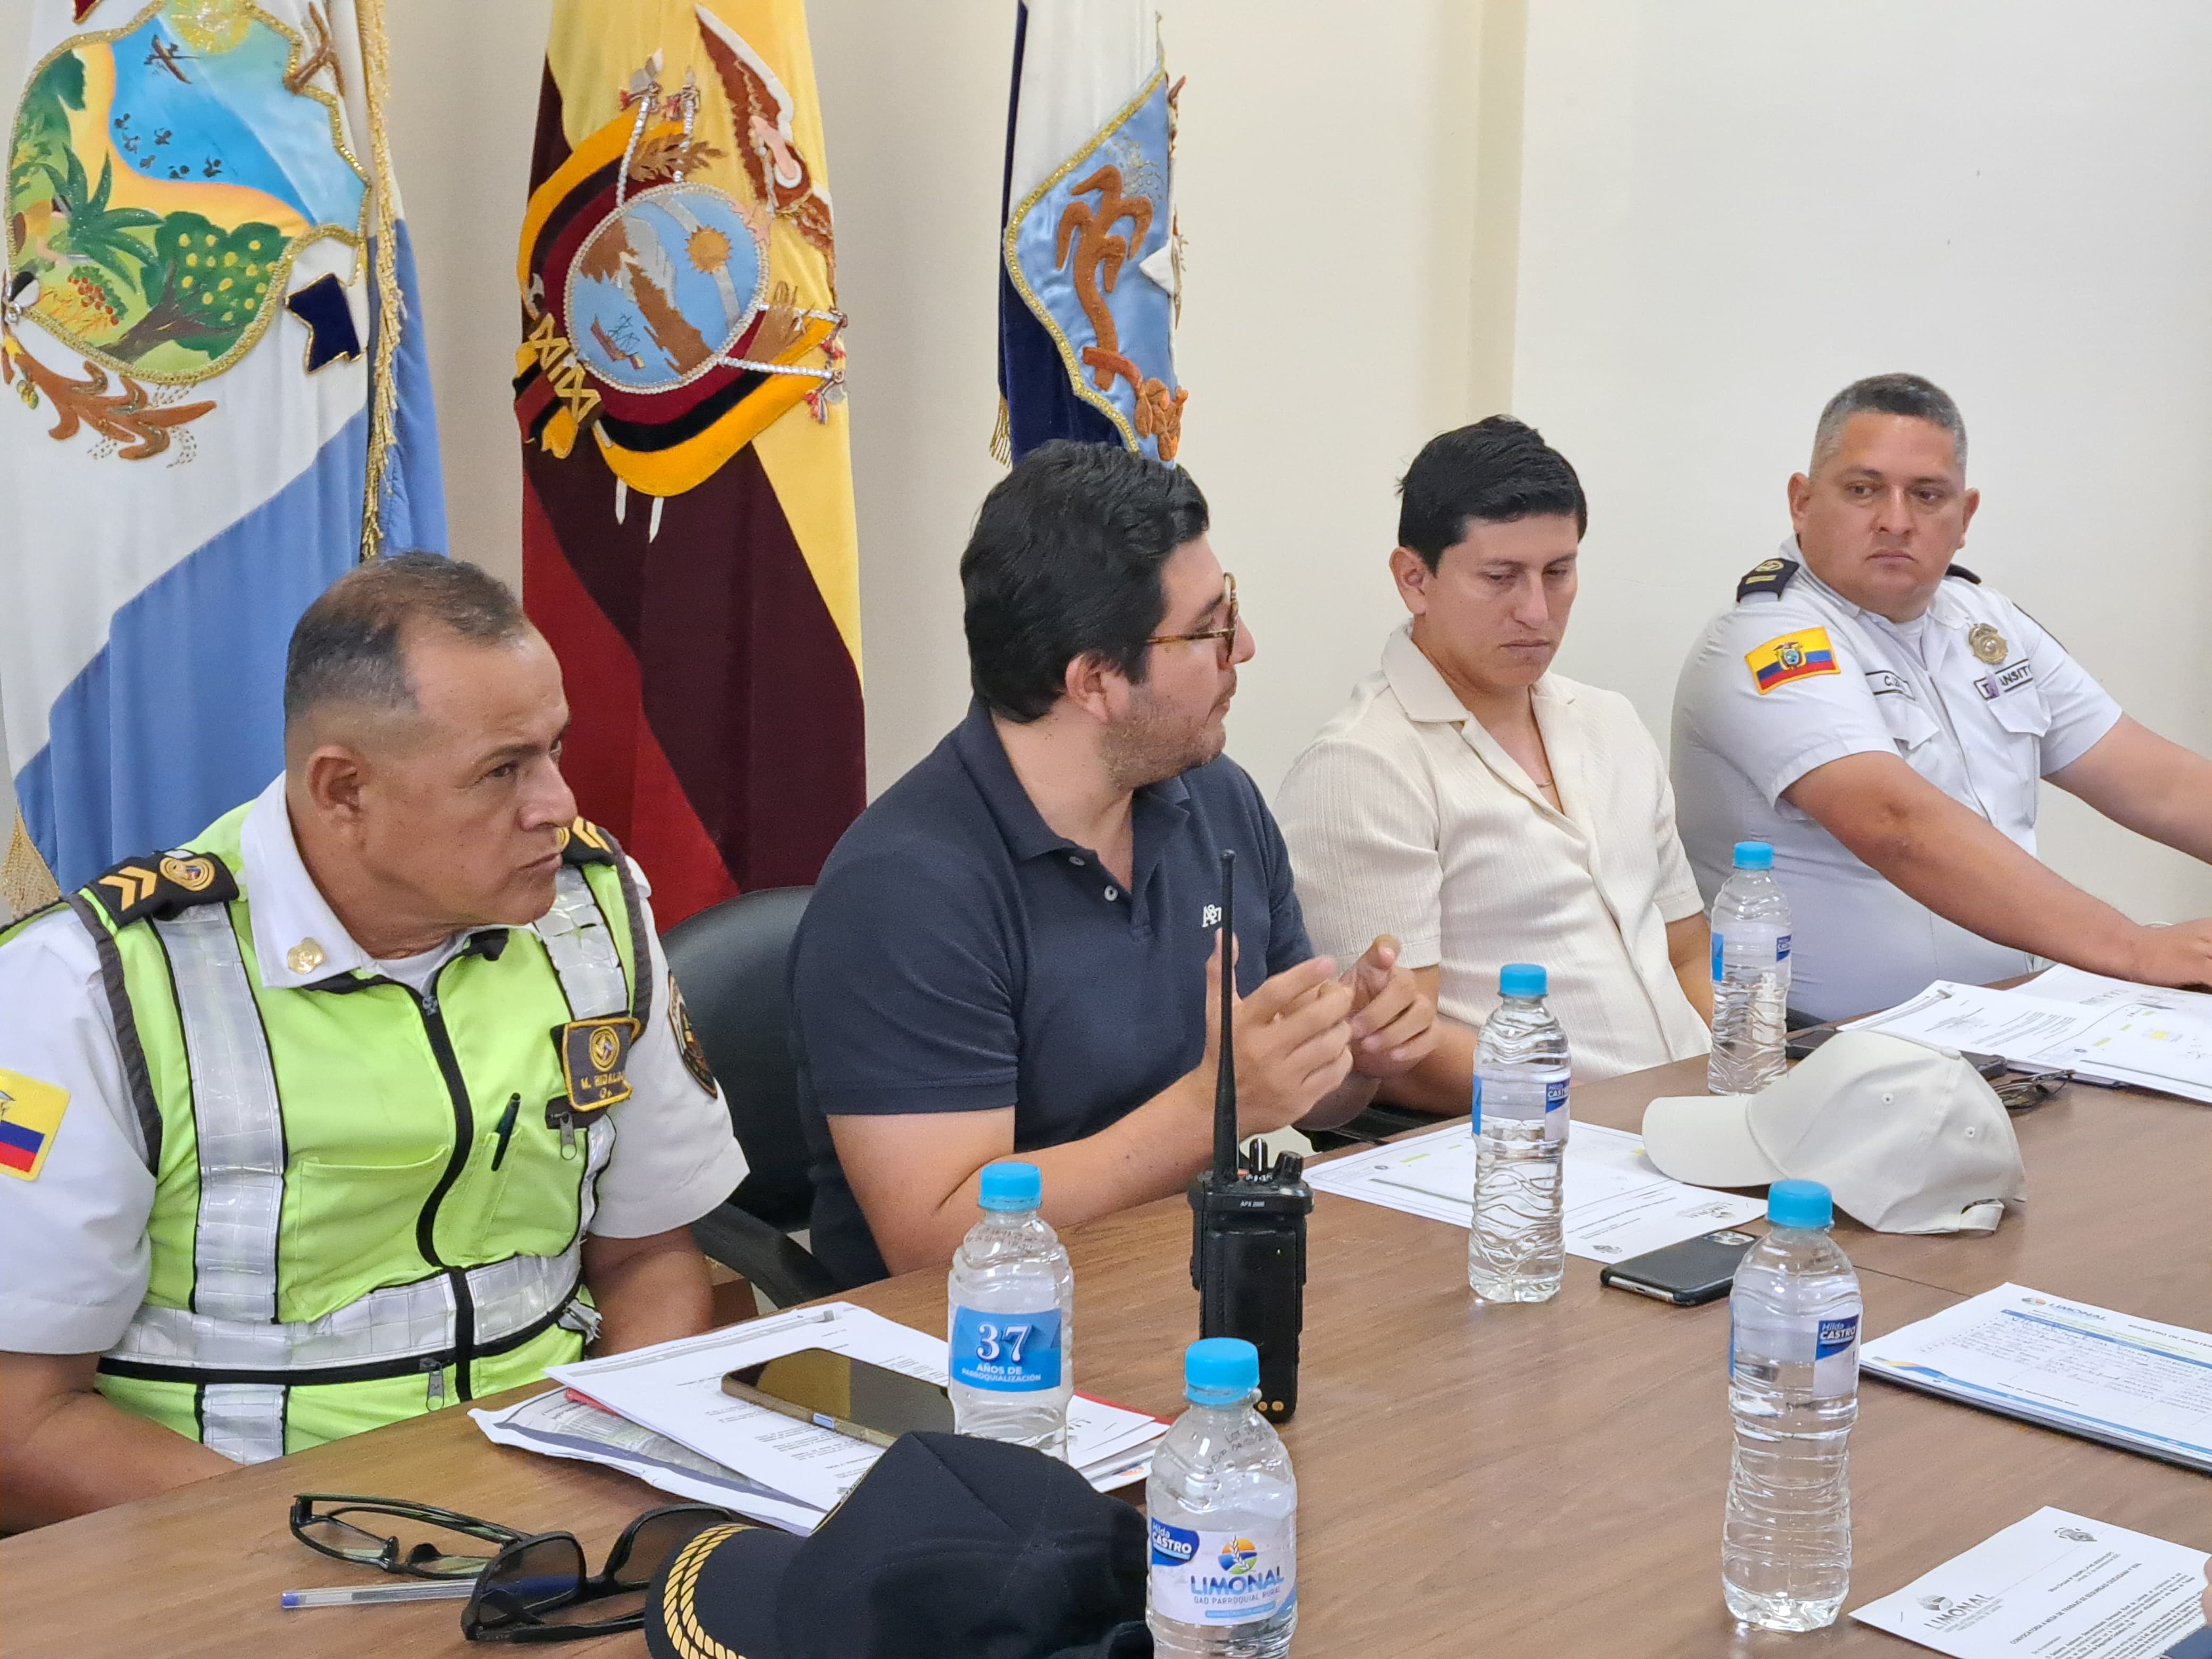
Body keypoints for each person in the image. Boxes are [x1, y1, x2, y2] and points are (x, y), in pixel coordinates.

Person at [0, 555, 746, 1529]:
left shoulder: (591, 912)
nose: (557, 805)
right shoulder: (92, 987)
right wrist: (343, 1542)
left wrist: (623, 1462)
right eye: (502, 770)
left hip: (554, 1496)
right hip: (235, 1531)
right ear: (344, 788)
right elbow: (23, 1420)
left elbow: (649, 1258)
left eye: (554, 750)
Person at [789, 441, 1438, 1288]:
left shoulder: (1218, 800)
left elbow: (1308, 1100)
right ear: (1096, 682)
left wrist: (1352, 1051)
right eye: (1208, 629)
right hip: (987, 1339)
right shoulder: (904, 889)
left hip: (1196, 1282)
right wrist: (1210, 1107)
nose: (1244, 647)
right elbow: (936, 1238)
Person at [1672, 373, 2212, 1023]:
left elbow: (2159, 785)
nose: (1895, 521)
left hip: (2011, 1021)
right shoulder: (1767, 640)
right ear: (1801, 502)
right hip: (1827, 1045)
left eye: (1926, 496)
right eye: (1863, 490)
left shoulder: (1984, 623)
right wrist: (2132, 949)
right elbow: (1896, 825)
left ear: (1965, 516)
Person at [1276, 417, 1712, 1104]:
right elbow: (1400, 1047)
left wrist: (1744, 1086)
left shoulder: (1610, 721)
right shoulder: (1363, 764)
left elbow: (1686, 951)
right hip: (1539, 1134)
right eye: (1501, 577)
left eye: (1557, 573)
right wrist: (1596, 1110)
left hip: (1690, 1113)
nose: (1536, 611)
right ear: (1414, 579)